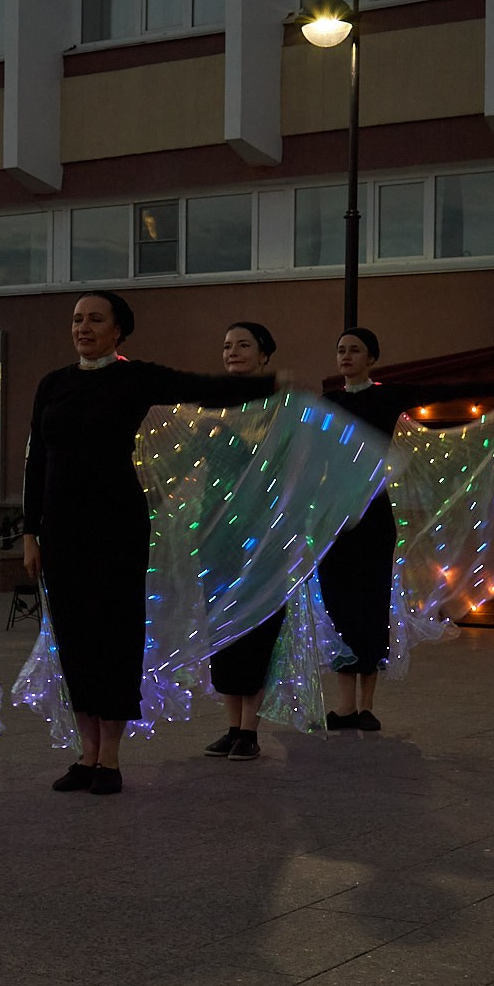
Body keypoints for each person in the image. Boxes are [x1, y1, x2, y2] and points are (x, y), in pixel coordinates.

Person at [22, 292, 277, 795]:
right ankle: (85, 753)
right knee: (72, 639)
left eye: (96, 319)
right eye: (77, 319)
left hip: (115, 524)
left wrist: (271, 383)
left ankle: (110, 760)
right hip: (61, 530)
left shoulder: (134, 377)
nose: (84, 327)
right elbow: (36, 462)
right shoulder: (52, 384)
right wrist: (31, 530)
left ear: (119, 330)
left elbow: (201, 387)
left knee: (113, 636)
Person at [318, 327, 494, 730]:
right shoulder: (328, 403)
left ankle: (366, 706)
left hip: (374, 514)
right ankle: (344, 706)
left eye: (355, 350)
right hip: (336, 518)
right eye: (341, 350)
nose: (345, 356)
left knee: (372, 604)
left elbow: (442, 390)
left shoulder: (386, 396)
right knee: (339, 607)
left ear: (371, 358)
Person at [204, 322, 284, 762]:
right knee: (222, 627)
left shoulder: (279, 406)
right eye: (226, 345)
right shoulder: (211, 403)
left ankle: (250, 730)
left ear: (264, 355)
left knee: (257, 628)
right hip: (216, 530)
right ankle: (231, 725)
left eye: (243, 345)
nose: (232, 352)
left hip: (263, 530)